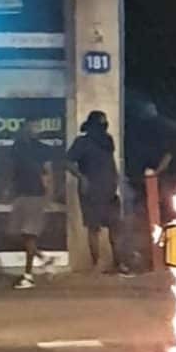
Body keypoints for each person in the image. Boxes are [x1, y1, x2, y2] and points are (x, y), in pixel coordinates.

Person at [66, 111, 130, 273]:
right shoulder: (82, 142)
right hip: (91, 192)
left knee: (115, 226)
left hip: (109, 191)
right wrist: (82, 177)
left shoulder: (107, 141)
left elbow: (110, 164)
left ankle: (118, 263)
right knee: (93, 228)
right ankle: (97, 264)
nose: (102, 127)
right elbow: (67, 161)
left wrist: (116, 181)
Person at [10, 117, 53, 290]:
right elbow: (12, 170)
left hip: (35, 195)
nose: (35, 129)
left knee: (29, 235)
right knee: (15, 233)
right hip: (20, 194)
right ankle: (43, 258)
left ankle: (28, 275)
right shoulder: (17, 147)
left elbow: (48, 173)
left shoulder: (42, 149)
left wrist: (48, 196)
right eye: (32, 126)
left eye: (37, 126)